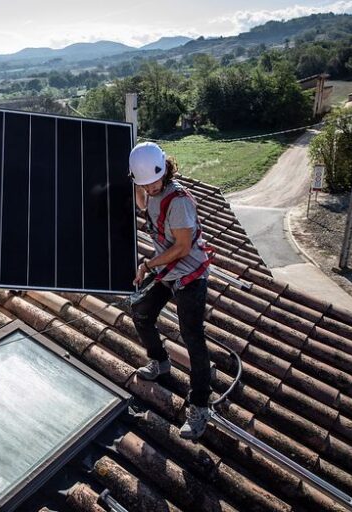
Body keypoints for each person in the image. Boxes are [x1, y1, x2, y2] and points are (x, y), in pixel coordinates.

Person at [129, 141, 213, 440]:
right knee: (141, 313)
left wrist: (148, 264)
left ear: (164, 171)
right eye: (143, 184)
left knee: (192, 337)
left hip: (189, 276)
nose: (149, 189)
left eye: (152, 182)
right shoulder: (149, 191)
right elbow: (142, 201)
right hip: (167, 272)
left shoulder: (178, 201)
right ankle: (160, 361)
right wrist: (136, 182)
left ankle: (200, 405)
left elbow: (182, 247)